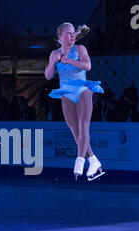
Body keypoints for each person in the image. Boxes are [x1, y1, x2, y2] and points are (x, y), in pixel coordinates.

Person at [44, 22, 104, 181]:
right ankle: (93, 160)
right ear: (60, 36)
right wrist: (53, 62)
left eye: (73, 33)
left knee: (84, 125)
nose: (72, 35)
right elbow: (48, 76)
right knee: (75, 130)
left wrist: (70, 61)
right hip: (66, 92)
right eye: (68, 33)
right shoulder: (54, 53)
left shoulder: (80, 49)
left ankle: (80, 161)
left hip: (82, 89)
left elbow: (88, 66)